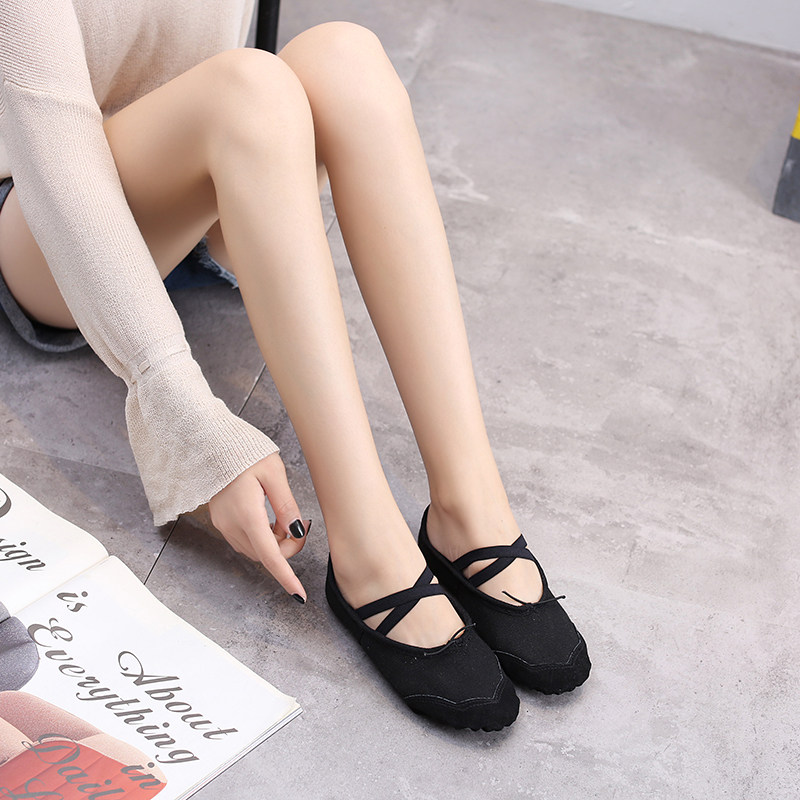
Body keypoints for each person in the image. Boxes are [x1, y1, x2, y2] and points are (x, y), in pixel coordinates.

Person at [0, 0, 590, 731]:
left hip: (199, 178)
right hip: (46, 219)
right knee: (246, 88)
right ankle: (368, 547)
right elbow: (55, 155)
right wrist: (189, 417)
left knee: (347, 56)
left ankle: (469, 507)